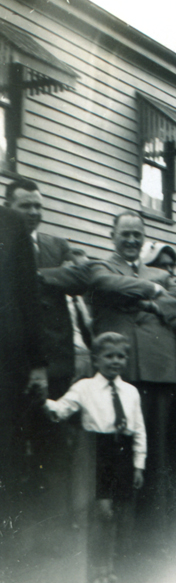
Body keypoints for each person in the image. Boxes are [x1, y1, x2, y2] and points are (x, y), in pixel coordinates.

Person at [87, 211, 176, 545]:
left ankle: (154, 535)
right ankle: (119, 539)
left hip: (159, 374)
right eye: (125, 233)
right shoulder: (101, 267)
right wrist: (150, 289)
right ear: (112, 234)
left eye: (137, 234)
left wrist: (153, 305)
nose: (131, 240)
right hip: (120, 376)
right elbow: (105, 285)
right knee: (119, 456)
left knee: (156, 455)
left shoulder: (161, 272)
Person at [6, 179, 91, 541]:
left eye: (38, 206)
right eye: (26, 206)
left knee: (52, 449)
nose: (34, 213)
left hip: (53, 365)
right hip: (12, 366)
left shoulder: (56, 245)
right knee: (11, 451)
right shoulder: (4, 242)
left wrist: (30, 276)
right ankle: (15, 530)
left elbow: (80, 275)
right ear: (9, 207)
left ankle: (52, 530)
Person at [45, 332, 146, 583]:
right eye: (109, 356)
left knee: (115, 513)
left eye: (121, 356)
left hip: (122, 451)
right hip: (97, 452)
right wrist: (44, 402)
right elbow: (62, 408)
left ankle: (109, 565)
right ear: (96, 359)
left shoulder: (131, 391)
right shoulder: (85, 387)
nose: (115, 361)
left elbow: (139, 429)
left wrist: (138, 464)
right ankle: (96, 566)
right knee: (101, 511)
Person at [0, 205, 44, 556]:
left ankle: (7, 545)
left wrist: (38, 363)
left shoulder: (11, 222)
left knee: (7, 452)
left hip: (6, 359)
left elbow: (30, 296)